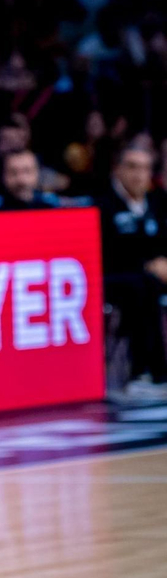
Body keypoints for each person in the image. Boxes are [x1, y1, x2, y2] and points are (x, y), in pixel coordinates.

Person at [96, 146, 167, 399]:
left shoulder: (158, 202)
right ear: (118, 169)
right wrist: (147, 265)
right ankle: (145, 372)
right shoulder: (103, 205)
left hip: (154, 277)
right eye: (132, 167)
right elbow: (107, 253)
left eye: (145, 168)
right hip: (113, 279)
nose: (139, 174)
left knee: (148, 284)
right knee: (142, 286)